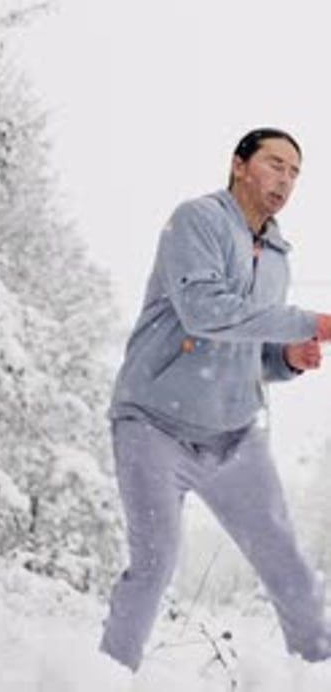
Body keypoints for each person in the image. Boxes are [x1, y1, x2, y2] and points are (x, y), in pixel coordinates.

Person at [99, 127, 331, 681]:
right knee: (154, 566)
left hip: (234, 437)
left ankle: (321, 673)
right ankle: (104, 678)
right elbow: (206, 310)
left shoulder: (277, 255)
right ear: (239, 165)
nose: (286, 179)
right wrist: (311, 321)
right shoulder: (197, 221)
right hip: (154, 425)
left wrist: (288, 360)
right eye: (275, 164)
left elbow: (249, 350)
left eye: (295, 172)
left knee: (290, 570)